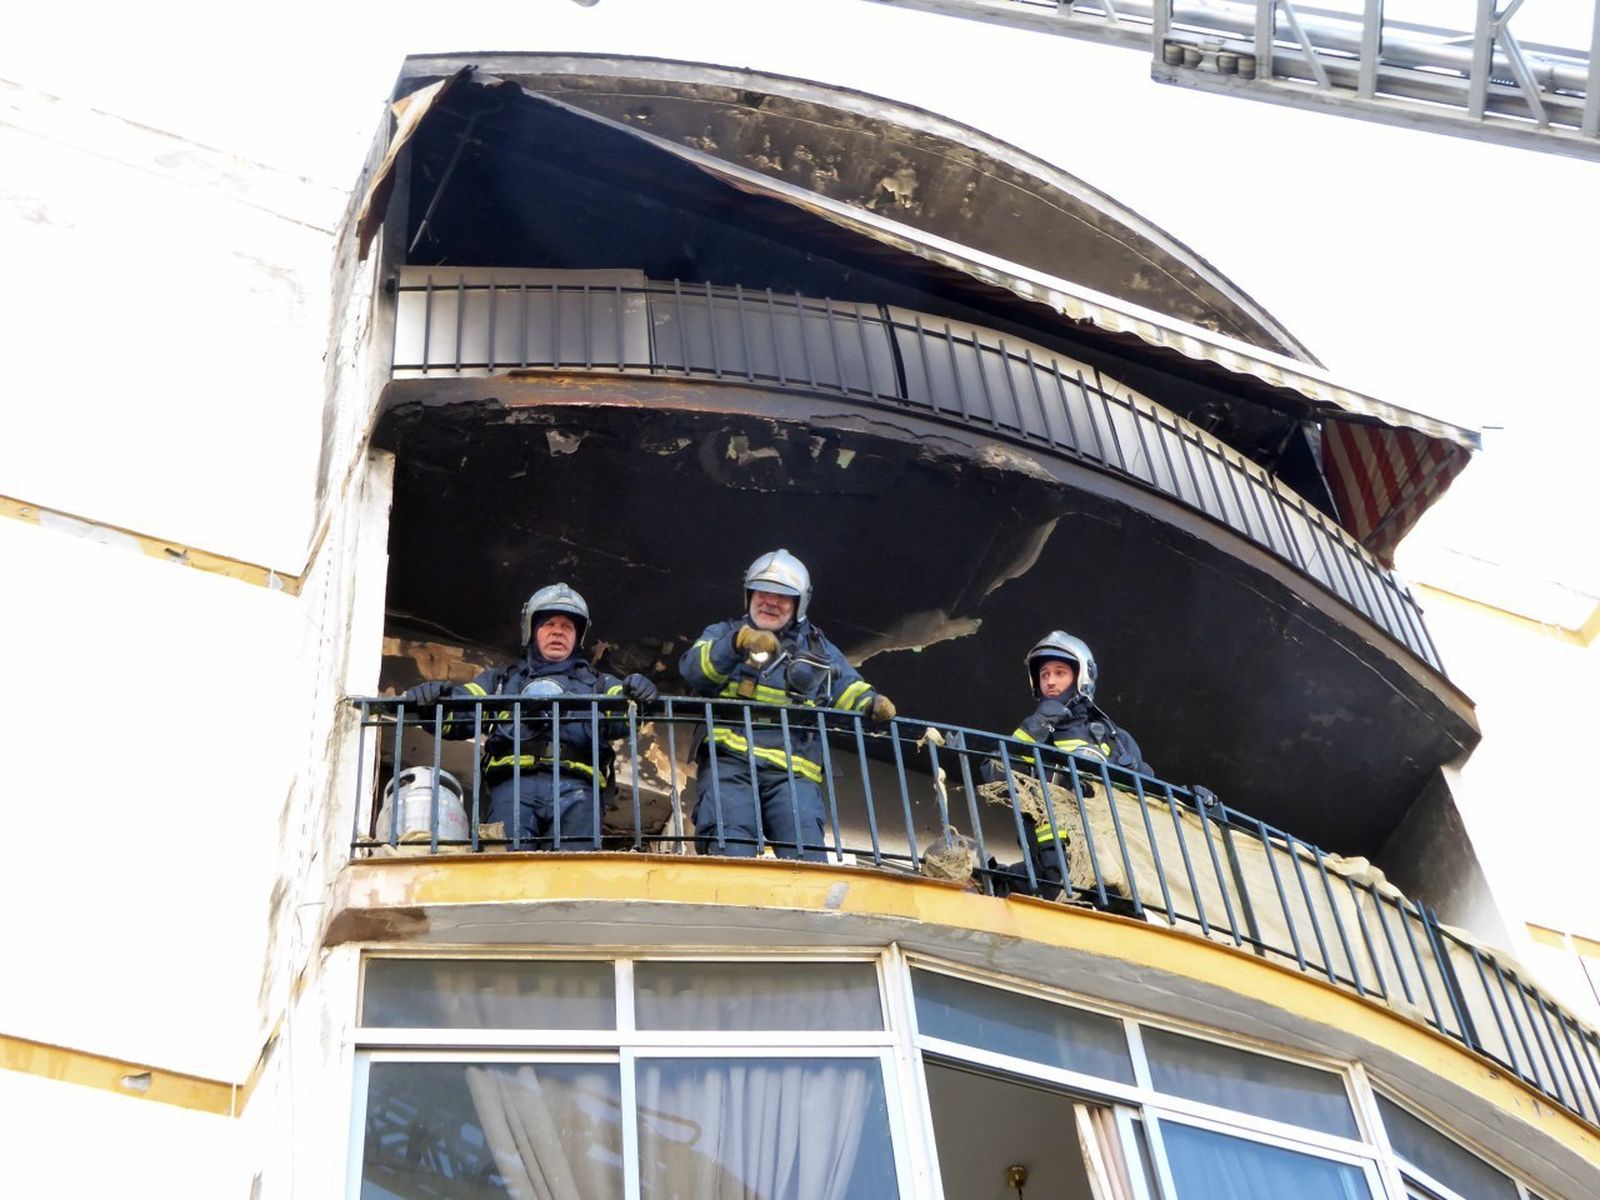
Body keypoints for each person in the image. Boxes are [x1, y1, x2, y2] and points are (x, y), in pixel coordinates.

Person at [401, 583, 658, 849]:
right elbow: (460, 717)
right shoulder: (500, 682)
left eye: (567, 626)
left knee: (574, 876)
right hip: (513, 787)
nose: (558, 631)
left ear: (577, 637)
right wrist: (430, 705)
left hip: (579, 789)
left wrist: (639, 695)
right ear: (532, 632)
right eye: (549, 624)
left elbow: (626, 717)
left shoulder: (602, 684)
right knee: (508, 871)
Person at [679, 549, 896, 860]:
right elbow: (693, 671)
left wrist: (870, 703)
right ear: (749, 595)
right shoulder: (723, 634)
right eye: (762, 593)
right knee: (730, 847)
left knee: (806, 857)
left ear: (798, 603)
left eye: (781, 596)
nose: (769, 601)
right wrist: (736, 644)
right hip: (731, 761)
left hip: (794, 771)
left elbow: (846, 688)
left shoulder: (820, 648)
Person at [986, 631, 1152, 899]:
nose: (1050, 681)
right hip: (1051, 869)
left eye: (1060, 673)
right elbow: (995, 777)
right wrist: (1033, 730)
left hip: (1113, 873)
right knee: (986, 880)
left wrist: (1193, 800)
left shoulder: (1115, 740)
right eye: (1044, 675)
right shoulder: (1034, 734)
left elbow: (1150, 797)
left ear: (1082, 677)